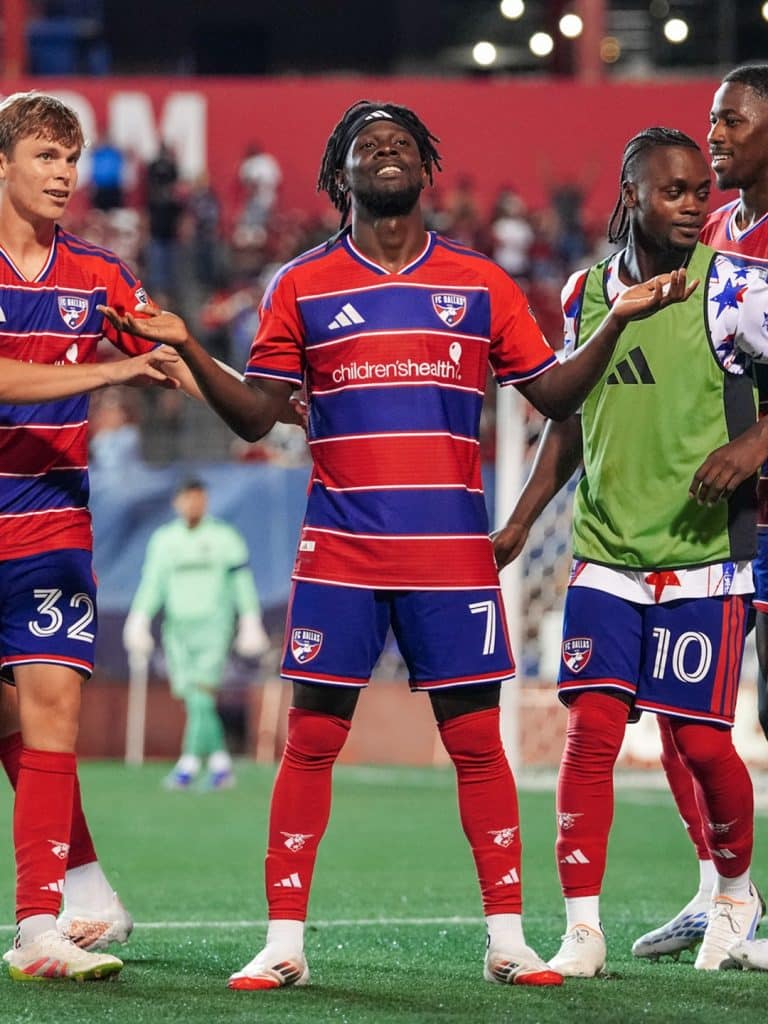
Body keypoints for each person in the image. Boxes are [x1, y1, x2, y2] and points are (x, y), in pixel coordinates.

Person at [100, 99, 695, 991]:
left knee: (477, 746)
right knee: (310, 740)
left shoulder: (484, 283)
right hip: (339, 550)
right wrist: (188, 344)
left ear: (427, 169)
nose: (386, 154)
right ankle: (284, 942)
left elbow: (556, 398)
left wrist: (616, 321)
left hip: (451, 556)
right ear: (339, 173)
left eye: (402, 146)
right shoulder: (297, 284)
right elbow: (259, 416)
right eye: (367, 146)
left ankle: (507, 939)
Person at [495, 126, 768, 978]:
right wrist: (518, 525)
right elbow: (567, 425)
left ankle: (734, 897)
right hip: (605, 555)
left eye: (699, 191)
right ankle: (583, 931)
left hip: (704, 560)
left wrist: (754, 446)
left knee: (701, 742)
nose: (693, 205)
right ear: (630, 198)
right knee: (592, 734)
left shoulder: (734, 289)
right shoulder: (583, 293)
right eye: (674, 192)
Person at [0, 90, 197, 983]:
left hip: (50, 523)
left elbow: (169, 349)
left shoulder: (98, 273)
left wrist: (263, 398)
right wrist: (117, 367)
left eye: (70, 160)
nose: (63, 176)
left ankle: (37, 924)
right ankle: (86, 888)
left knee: (51, 711)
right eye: (45, 157)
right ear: (2, 164)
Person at [631, 65, 768, 970]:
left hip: (756, 499)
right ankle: (723, 892)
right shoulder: (713, 228)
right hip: (714, 523)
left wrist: (759, 442)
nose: (712, 133)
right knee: (686, 711)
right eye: (711, 118)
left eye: (732, 119)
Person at [123, 476, 269, 791]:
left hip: (214, 626)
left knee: (202, 692)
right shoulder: (164, 540)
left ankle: (187, 765)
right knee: (193, 697)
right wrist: (139, 618)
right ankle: (220, 764)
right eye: (189, 498)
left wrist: (250, 619)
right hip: (177, 629)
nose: (194, 504)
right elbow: (153, 584)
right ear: (177, 502)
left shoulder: (225, 537)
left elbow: (241, 581)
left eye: (200, 498)